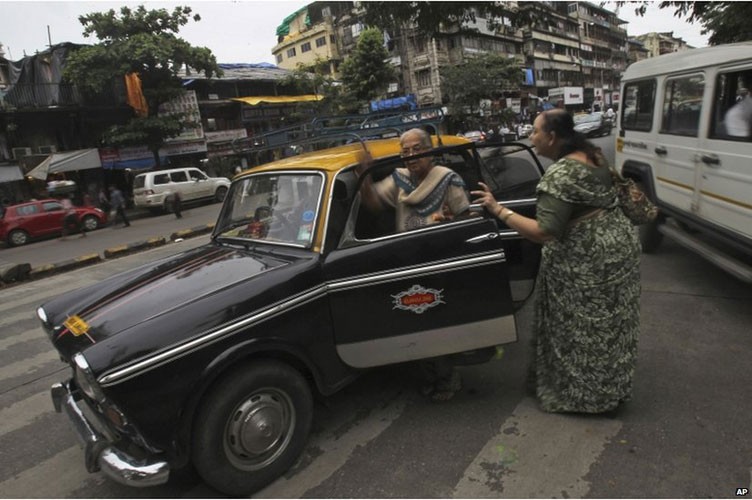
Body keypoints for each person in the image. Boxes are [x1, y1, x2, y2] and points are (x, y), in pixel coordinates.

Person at [471, 109, 642, 414]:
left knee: (583, 333)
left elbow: (544, 232)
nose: (531, 137)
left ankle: (587, 398)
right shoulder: (594, 155)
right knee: (610, 328)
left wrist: (497, 210)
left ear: (551, 136)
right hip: (619, 250)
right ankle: (610, 390)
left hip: (588, 262)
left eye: (535, 132)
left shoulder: (561, 174)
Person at [357, 128, 471, 402]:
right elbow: (372, 202)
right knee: (415, 321)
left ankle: (447, 377)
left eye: (416, 149)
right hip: (408, 260)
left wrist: (450, 222)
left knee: (439, 324)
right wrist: (364, 176)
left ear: (429, 150)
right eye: (405, 151)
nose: (410, 156)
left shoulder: (448, 179)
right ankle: (429, 376)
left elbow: (467, 218)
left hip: (440, 261)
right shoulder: (400, 179)